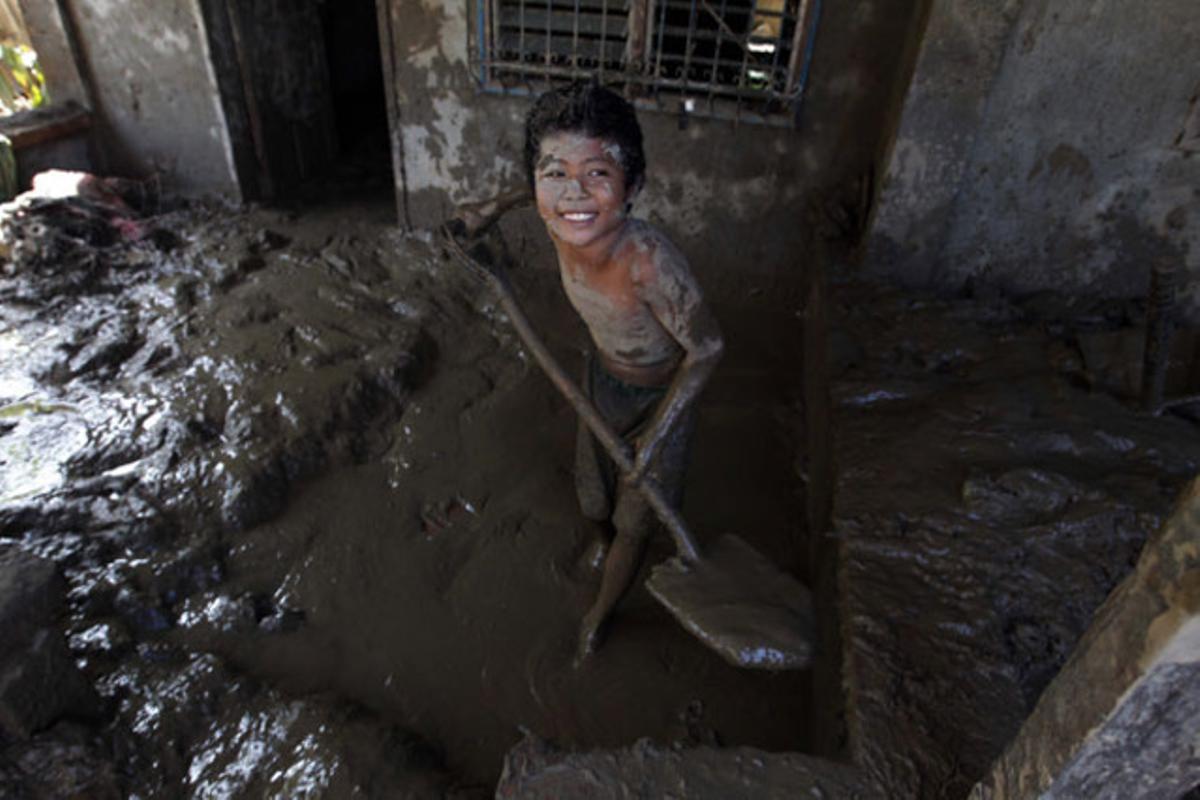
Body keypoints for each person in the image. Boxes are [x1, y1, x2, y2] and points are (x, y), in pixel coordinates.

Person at [523, 81, 724, 660]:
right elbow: (534, 189)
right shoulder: (558, 215)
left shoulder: (648, 264)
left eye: (599, 174)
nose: (573, 194)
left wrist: (657, 435)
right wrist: (481, 213)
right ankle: (599, 540)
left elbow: (708, 348)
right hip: (601, 381)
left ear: (631, 187)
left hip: (664, 397)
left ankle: (600, 613)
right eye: (555, 174)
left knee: (638, 519)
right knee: (593, 496)